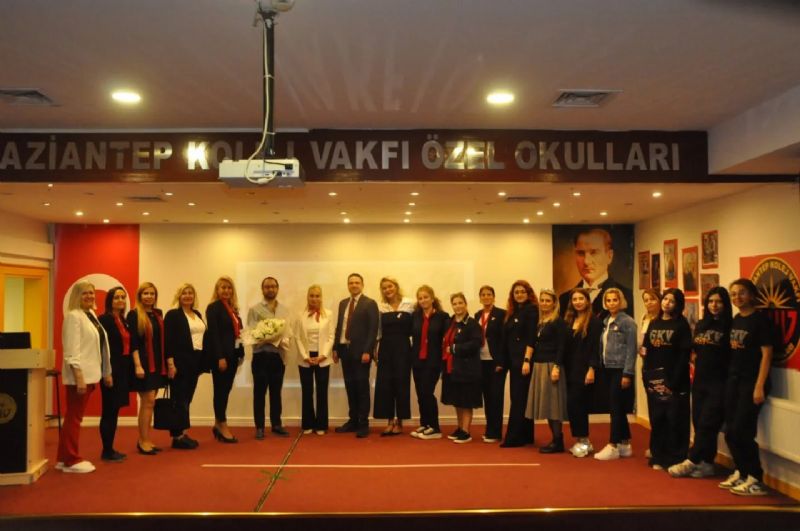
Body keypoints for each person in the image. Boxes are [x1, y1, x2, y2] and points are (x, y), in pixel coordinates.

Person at [718, 279, 774, 496]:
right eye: (733, 294)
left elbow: (767, 355)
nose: (737, 297)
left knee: (742, 431)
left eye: (742, 293)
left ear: (751, 295)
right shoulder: (737, 319)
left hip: (752, 382)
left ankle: (755, 478)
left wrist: (759, 386)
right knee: (730, 432)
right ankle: (741, 471)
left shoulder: (760, 321)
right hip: (734, 381)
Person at [669, 286, 732, 478]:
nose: (714, 305)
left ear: (725, 304)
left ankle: (692, 459)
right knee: (698, 422)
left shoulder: (730, 325)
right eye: (711, 301)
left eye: (718, 301)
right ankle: (707, 463)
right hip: (700, 380)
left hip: (719, 382)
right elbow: (694, 349)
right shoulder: (702, 324)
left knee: (707, 423)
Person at [57, 281, 111, 473]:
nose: (89, 296)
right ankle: (71, 460)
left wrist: (106, 372)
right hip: (79, 377)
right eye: (84, 293)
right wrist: (79, 376)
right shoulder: (74, 316)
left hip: (90, 375)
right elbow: (72, 350)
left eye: (91, 293)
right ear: (76, 296)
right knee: (74, 418)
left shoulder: (91, 315)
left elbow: (100, 346)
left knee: (73, 417)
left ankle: (62, 458)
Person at [642, 288, 692, 470]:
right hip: (656, 380)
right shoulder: (654, 323)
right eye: (665, 299)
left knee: (675, 420)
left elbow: (684, 356)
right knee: (657, 419)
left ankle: (675, 458)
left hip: (675, 381)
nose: (667, 303)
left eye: (672, 301)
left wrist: (673, 382)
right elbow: (646, 350)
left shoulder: (681, 325)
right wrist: (647, 377)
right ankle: (658, 455)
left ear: (678, 304)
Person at [333, 273, 380, 438]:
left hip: (361, 353)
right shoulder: (343, 303)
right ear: (348, 285)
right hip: (345, 351)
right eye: (351, 283)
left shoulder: (370, 303)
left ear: (362, 285)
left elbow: (373, 329)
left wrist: (368, 350)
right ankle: (353, 420)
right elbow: (339, 327)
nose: (354, 285)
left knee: (362, 388)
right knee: (350, 387)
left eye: (357, 282)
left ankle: (363, 423)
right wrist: (335, 348)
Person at [594, 287, 638, 460]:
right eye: (609, 300)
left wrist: (627, 373)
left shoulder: (627, 322)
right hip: (608, 368)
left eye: (615, 300)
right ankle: (625, 443)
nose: (612, 303)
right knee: (616, 406)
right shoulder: (606, 321)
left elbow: (632, 350)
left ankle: (613, 444)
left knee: (615, 408)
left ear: (621, 301)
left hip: (620, 369)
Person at [128, 282, 171, 455]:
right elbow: (133, 343)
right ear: (140, 296)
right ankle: (142, 440)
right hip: (143, 364)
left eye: (152, 293)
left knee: (150, 403)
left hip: (158, 365)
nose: (149, 296)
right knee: (148, 401)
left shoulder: (158, 314)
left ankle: (146, 439)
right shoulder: (134, 314)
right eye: (145, 293)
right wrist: (138, 365)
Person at [247, 276, 291, 439]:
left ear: (277, 288)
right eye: (267, 287)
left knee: (276, 392)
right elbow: (252, 333)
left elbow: (287, 331)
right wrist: (269, 337)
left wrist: (282, 339)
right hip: (260, 356)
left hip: (278, 356)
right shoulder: (254, 309)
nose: (270, 289)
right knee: (259, 393)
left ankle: (276, 424)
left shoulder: (284, 310)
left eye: (273, 286)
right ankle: (259, 427)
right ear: (262, 289)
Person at [525, 289, 568, 453]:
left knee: (553, 406)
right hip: (539, 365)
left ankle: (558, 441)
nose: (544, 303)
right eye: (542, 300)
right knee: (548, 406)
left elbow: (562, 347)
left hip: (551, 366)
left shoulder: (558, 322)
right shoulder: (541, 321)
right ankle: (556, 440)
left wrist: (557, 367)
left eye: (548, 300)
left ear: (554, 303)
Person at [163, 283, 206, 450]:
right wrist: (171, 364)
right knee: (179, 399)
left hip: (195, 362)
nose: (188, 296)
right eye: (184, 293)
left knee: (187, 398)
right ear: (179, 297)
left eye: (190, 293)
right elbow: (168, 341)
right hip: (180, 363)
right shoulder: (173, 315)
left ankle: (182, 432)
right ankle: (177, 436)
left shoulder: (197, 314)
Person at [558, 228, 633, 320]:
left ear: (609, 256)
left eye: (594, 252)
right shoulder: (565, 299)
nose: (586, 261)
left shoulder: (627, 296)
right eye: (581, 253)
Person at [563, 288, 602, 457]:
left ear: (587, 301)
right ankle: (580, 439)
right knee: (572, 406)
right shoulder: (569, 320)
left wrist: (592, 369)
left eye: (581, 298)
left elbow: (595, 348)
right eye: (575, 299)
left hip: (584, 370)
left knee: (579, 405)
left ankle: (584, 441)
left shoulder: (594, 322)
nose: (578, 302)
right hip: (569, 369)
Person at [500, 280, 538, 448]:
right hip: (513, 361)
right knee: (520, 398)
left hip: (524, 361)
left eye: (523, 291)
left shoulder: (531, 310)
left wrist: (526, 360)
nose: (520, 294)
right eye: (516, 292)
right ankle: (526, 436)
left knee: (518, 399)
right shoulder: (514, 312)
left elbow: (531, 337)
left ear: (528, 293)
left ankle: (514, 438)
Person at [373, 277, 414, 436]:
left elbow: (415, 328)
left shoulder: (409, 304)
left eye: (389, 286)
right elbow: (378, 331)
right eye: (384, 288)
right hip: (386, 349)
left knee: (402, 384)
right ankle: (390, 421)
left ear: (396, 287)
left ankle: (400, 422)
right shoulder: (380, 306)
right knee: (386, 385)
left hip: (403, 349)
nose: (387, 290)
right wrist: (375, 349)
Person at [205, 276, 244, 443]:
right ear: (217, 290)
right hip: (221, 358)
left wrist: (240, 352)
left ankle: (217, 424)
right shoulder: (213, 308)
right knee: (220, 391)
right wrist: (220, 357)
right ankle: (223, 424)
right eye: (223, 288)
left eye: (229, 288)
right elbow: (214, 334)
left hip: (232, 356)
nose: (226, 290)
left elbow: (238, 333)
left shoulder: (233, 309)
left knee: (225, 391)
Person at [441, 292, 483, 443]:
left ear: (465, 304)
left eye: (460, 303)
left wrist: (454, 348)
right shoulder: (450, 322)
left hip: (467, 369)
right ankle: (459, 428)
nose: (457, 306)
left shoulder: (472, 324)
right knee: (457, 400)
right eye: (454, 303)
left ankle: (466, 431)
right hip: (452, 368)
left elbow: (476, 344)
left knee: (466, 401)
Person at [292, 284, 334, 435]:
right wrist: (305, 356)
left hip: (323, 358)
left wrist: (323, 355)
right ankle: (308, 423)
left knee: (322, 391)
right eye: (311, 296)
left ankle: (321, 425)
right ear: (307, 297)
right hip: (305, 358)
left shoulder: (328, 314)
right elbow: (297, 337)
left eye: (317, 296)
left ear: (321, 298)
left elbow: (331, 336)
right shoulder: (300, 315)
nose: (314, 299)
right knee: (307, 391)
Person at [409, 284, 450, 440]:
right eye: (420, 298)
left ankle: (435, 427)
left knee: (427, 392)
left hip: (433, 361)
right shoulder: (415, 316)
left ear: (432, 298)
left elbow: (446, 339)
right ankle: (425, 423)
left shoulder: (443, 316)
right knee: (420, 394)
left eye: (426, 297)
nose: (423, 300)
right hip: (417, 360)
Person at [98, 286, 131, 462]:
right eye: (117, 297)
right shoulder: (104, 320)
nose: (120, 300)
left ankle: (110, 448)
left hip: (122, 369)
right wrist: (106, 372)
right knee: (109, 410)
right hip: (110, 369)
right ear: (110, 300)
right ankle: (106, 450)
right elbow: (102, 349)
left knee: (115, 410)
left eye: (123, 297)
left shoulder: (123, 320)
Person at [474, 285, 507, 443]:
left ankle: (496, 432)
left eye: (489, 294)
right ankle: (489, 429)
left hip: (496, 362)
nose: (486, 297)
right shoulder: (477, 315)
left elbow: (504, 340)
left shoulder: (501, 314)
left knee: (496, 397)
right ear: (480, 298)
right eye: (483, 295)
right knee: (487, 397)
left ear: (493, 297)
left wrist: (501, 361)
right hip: (481, 361)